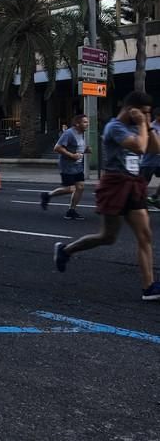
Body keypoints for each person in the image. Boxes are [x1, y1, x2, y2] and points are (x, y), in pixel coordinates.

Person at [54, 91, 160, 301]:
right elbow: (139, 147)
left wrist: (146, 125)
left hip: (134, 184)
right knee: (107, 237)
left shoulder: (138, 126)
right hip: (115, 185)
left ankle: (148, 287)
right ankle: (66, 250)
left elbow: (155, 149)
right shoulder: (115, 127)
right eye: (144, 113)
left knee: (145, 235)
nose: (147, 117)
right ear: (132, 110)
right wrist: (142, 126)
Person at [40, 114, 91, 219]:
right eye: (85, 122)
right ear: (77, 124)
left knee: (80, 187)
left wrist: (85, 150)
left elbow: (76, 148)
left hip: (78, 165)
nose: (87, 124)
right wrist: (72, 155)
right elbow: (57, 148)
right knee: (70, 189)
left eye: (87, 122)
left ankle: (71, 211)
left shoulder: (82, 133)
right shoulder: (69, 133)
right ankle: (48, 195)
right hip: (67, 166)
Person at [141, 107, 160, 208]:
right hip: (149, 161)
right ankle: (139, 200)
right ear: (156, 116)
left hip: (159, 161)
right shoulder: (151, 127)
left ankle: (155, 196)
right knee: (143, 183)